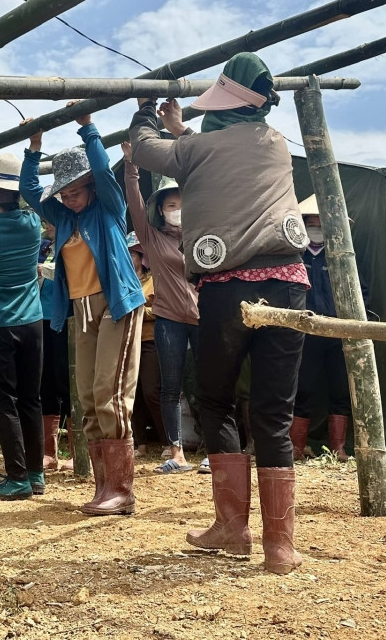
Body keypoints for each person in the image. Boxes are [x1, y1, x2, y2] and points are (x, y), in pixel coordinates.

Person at [130, 52, 311, 574]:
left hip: (228, 288)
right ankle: (281, 547)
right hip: (290, 285)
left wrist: (146, 111)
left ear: (223, 104)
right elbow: (218, 152)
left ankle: (233, 527)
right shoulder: (275, 143)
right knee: (273, 414)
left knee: (215, 399)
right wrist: (181, 129)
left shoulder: (196, 149)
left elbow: (145, 152)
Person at [22, 107, 146, 517]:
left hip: (116, 305)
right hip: (83, 311)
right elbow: (27, 192)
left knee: (111, 396)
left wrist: (88, 127)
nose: (68, 197)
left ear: (90, 184)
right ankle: (103, 487)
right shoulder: (62, 215)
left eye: (74, 189)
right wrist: (33, 149)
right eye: (63, 192)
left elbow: (103, 168)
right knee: (89, 398)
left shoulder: (107, 206)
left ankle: (122, 490)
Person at [120, 144, 201, 475]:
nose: (177, 209)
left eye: (182, 204)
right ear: (160, 210)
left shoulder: (202, 235)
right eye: (171, 205)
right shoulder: (152, 238)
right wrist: (131, 166)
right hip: (167, 319)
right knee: (169, 387)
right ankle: (176, 451)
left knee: (212, 383)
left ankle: (220, 450)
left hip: (202, 317)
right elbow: (135, 204)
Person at [0, 153, 46, 501]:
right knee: (30, 399)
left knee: (4, 400)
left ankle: (17, 476)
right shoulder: (33, 225)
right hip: (32, 321)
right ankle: (35, 474)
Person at [291, 195, 359, 463]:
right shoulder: (294, 256)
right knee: (303, 389)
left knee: (341, 390)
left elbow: (360, 291)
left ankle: (338, 449)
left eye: (322, 224)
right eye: (312, 223)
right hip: (304, 333)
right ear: (302, 225)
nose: (317, 228)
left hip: (338, 332)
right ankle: (296, 449)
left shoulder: (343, 257)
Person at [37, 222, 72, 471]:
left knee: (68, 382)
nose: (47, 224)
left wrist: (47, 270)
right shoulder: (41, 246)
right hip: (39, 319)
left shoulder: (76, 242)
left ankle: (77, 449)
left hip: (68, 319)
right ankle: (49, 452)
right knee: (44, 382)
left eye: (51, 219)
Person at [127, 234, 165, 456]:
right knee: (134, 394)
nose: (128, 258)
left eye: (132, 254)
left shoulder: (154, 280)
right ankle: (139, 443)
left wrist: (139, 311)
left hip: (150, 340)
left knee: (151, 390)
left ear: (142, 258)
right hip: (129, 341)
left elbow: (161, 309)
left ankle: (167, 442)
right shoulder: (123, 281)